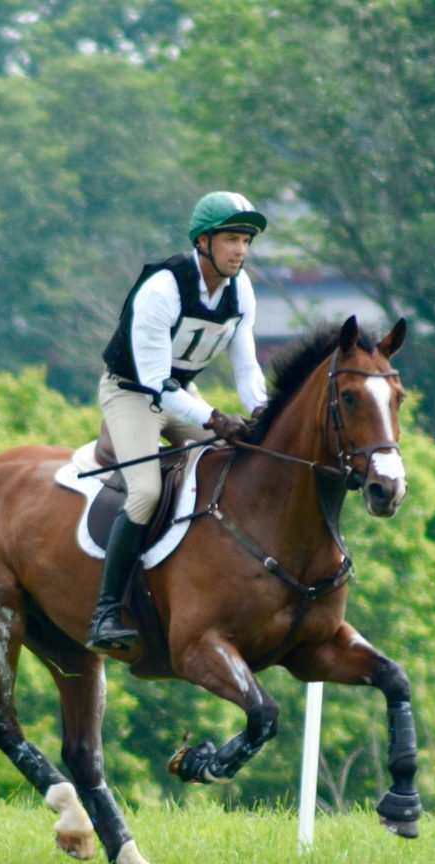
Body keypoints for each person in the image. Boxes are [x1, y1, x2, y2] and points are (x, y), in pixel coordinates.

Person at [86, 191, 270, 653]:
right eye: (232, 239)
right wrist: (214, 417)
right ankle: (106, 610)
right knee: (146, 492)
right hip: (131, 392)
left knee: (240, 458)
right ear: (203, 241)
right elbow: (153, 383)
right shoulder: (164, 287)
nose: (241, 250)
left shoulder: (240, 290)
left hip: (180, 395)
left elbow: (247, 371)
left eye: (246, 240)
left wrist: (261, 410)